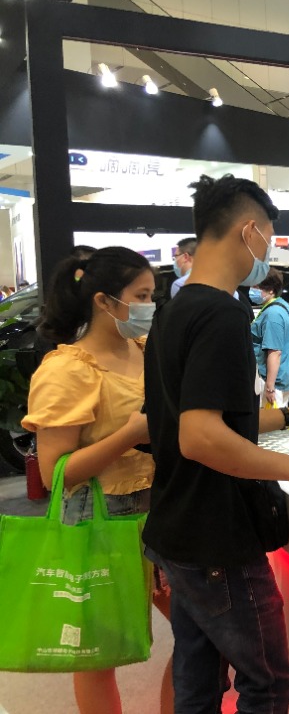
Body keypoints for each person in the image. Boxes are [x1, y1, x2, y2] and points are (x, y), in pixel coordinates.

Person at [142, 174, 289, 713]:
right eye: (270, 239)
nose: (269, 252)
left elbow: (194, 415)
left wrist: (288, 416)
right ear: (249, 231)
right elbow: (199, 436)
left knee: (198, 683)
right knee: (268, 683)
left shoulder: (173, 311)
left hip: (177, 526)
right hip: (218, 537)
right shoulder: (222, 313)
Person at [22, 246, 173, 714]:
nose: (150, 305)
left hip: (162, 508)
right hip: (99, 516)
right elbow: (55, 473)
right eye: (141, 295)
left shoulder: (146, 350)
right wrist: (128, 435)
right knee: (96, 655)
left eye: (152, 295)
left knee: (201, 634)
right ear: (104, 301)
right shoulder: (67, 369)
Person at [250, 268, 289, 408]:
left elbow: (274, 352)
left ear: (270, 290)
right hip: (277, 380)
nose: (252, 290)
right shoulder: (280, 305)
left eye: (257, 287)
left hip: (273, 383)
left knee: (271, 420)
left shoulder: (273, 315)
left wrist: (269, 387)